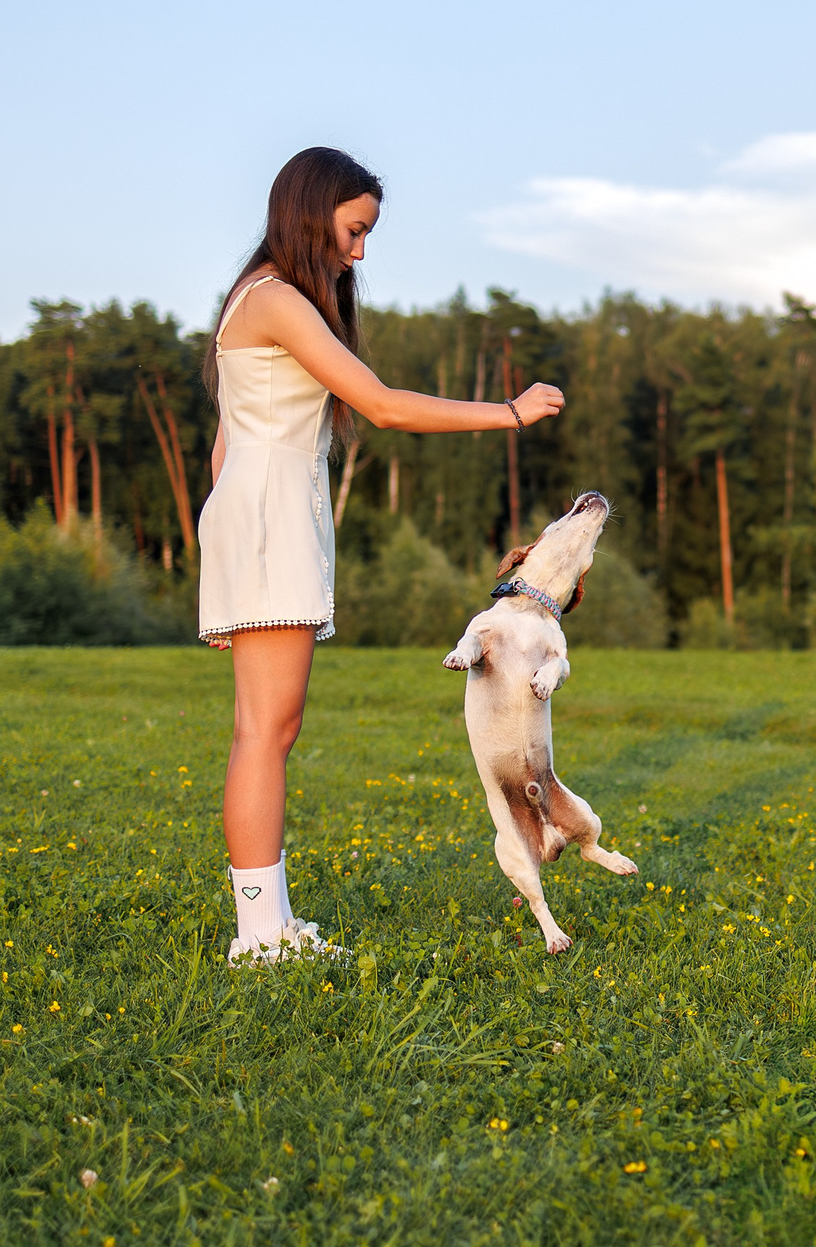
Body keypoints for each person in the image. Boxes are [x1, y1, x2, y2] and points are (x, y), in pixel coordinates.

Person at [199, 146, 561, 963]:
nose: (359, 251)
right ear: (310, 209)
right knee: (265, 730)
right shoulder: (275, 298)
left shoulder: (261, 299)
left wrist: (215, 560)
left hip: (262, 518)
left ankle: (270, 924)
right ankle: (259, 936)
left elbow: (226, 442)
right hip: (268, 521)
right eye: (354, 229)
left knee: (269, 727)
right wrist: (510, 411)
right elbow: (382, 405)